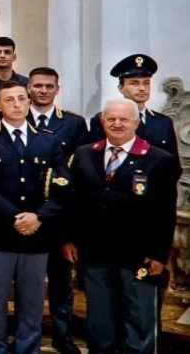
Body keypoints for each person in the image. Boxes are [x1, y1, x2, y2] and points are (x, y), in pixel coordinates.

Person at [63, 98, 181, 354]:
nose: (117, 124)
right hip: (95, 254)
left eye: (124, 119)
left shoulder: (159, 159)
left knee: (139, 324)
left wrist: (159, 254)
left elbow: (165, 212)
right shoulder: (85, 153)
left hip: (138, 256)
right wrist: (69, 239)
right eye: (111, 118)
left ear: (136, 123)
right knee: (100, 323)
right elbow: (74, 202)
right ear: (102, 121)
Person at [0, 81, 69, 354]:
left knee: (32, 299)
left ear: (29, 102)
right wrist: (16, 216)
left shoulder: (48, 139)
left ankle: (28, 348)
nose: (17, 104)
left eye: (21, 99)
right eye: (10, 100)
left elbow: (62, 185)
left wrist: (38, 217)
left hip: (37, 233)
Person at [25, 67, 87, 354]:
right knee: (24, 281)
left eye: (49, 86)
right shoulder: (14, 117)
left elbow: (80, 176)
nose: (43, 91)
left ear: (57, 89)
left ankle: (63, 334)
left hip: (58, 217)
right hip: (24, 215)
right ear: (28, 88)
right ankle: (26, 333)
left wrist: (72, 229)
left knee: (61, 281)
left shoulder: (73, 125)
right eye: (37, 86)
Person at [86, 54, 179, 155]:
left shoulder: (163, 122)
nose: (142, 88)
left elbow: (172, 163)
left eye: (146, 83)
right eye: (134, 83)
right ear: (120, 88)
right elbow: (95, 158)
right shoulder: (103, 120)